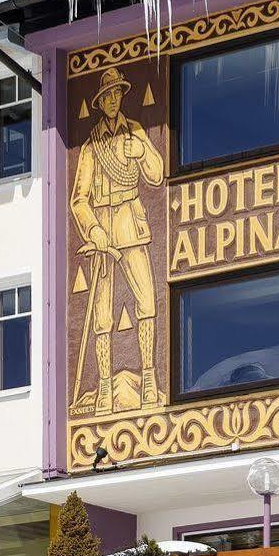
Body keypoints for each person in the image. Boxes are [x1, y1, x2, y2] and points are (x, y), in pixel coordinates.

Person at [69, 69, 163, 414]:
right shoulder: (92, 144)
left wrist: (140, 151)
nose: (112, 100)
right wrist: (93, 230)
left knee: (148, 302)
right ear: (100, 100)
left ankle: (150, 377)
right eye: (106, 95)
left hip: (132, 225)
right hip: (104, 232)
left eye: (116, 94)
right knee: (102, 316)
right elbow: (78, 198)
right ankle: (106, 388)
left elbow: (157, 173)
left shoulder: (134, 132)